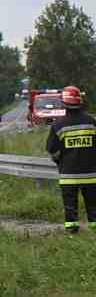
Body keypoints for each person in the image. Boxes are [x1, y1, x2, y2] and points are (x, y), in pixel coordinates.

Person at [46, 85, 96, 234]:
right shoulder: (92, 122)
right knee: (94, 206)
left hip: (69, 175)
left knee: (70, 206)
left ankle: (72, 231)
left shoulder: (58, 125)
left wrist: (60, 161)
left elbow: (52, 150)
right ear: (80, 102)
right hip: (92, 175)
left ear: (63, 103)